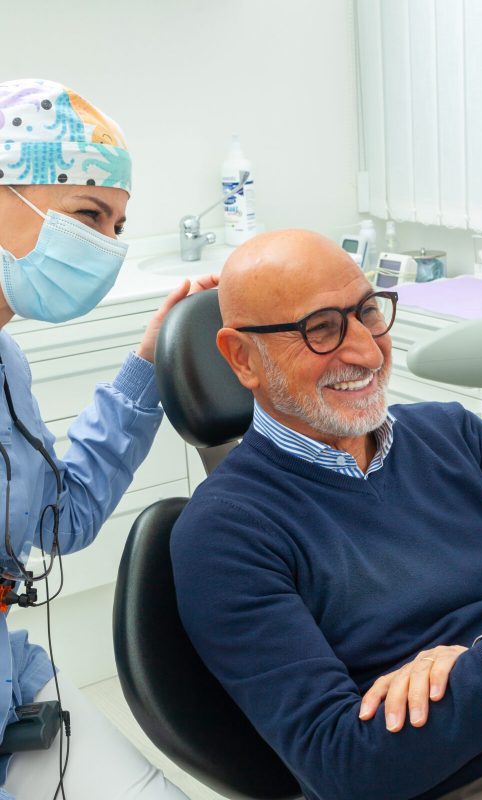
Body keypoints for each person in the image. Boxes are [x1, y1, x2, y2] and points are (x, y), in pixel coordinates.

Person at [171, 228, 482, 800]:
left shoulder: (457, 435)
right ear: (242, 357)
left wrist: (479, 660)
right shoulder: (223, 533)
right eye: (320, 328)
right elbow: (347, 769)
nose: (368, 351)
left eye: (368, 312)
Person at [0, 78, 218, 800]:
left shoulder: (7, 361)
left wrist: (149, 362)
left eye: (116, 227)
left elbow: (57, 518)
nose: (104, 247)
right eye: (88, 214)